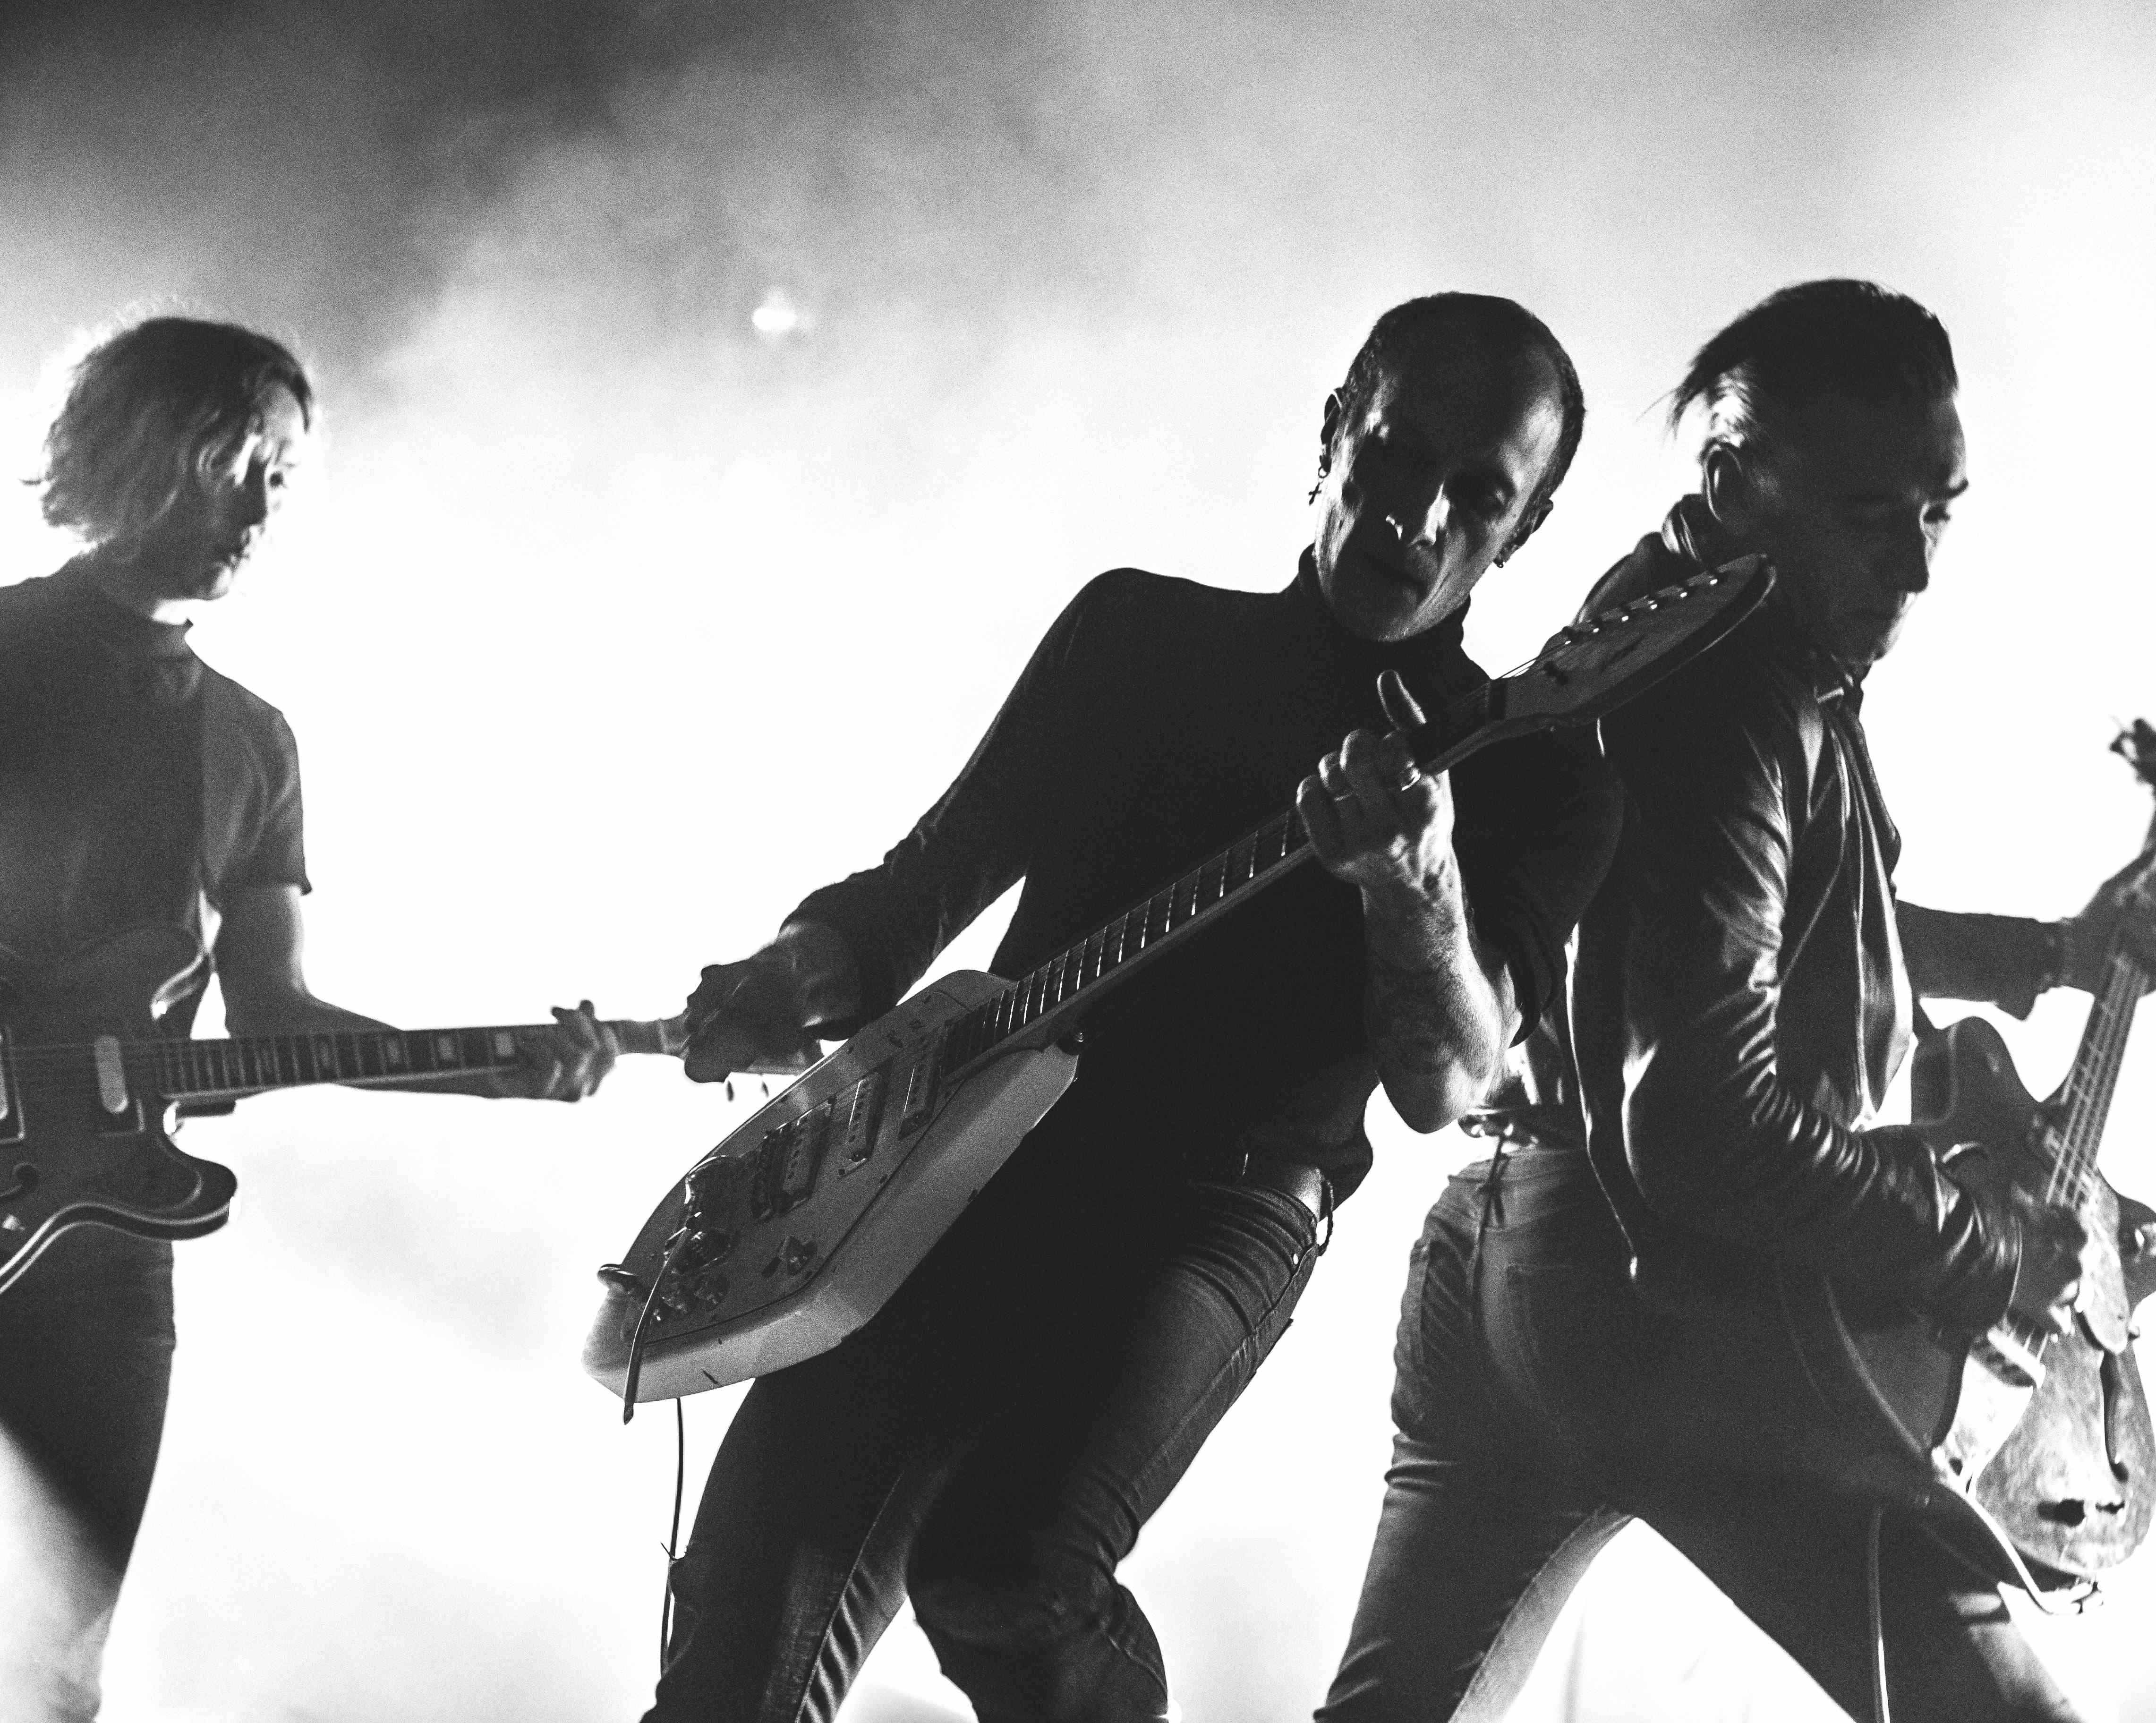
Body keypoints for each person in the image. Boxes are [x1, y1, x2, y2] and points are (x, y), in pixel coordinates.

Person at [657, 292, 1622, 1723]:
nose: (1419, 517)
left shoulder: (1536, 769)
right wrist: (801, 972)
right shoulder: (1139, 633)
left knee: (1002, 1572)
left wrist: (1413, 876)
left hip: (1215, 1211)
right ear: (1335, 433)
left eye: (1480, 497)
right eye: (1396, 455)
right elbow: (924, 885)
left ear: (1524, 530)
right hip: (951, 1165)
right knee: (728, 1659)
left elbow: (1448, 1082)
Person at [1317, 281, 2156, 1723]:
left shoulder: (1673, 621)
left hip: (1497, 1256)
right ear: (1732, 479)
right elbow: (1701, 1122)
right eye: (1867, 515)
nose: (1915, 567)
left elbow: (1749, 929)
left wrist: (2041, 955)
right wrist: (1977, 1249)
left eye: (1938, 512)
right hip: (1668, 1314)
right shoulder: (1733, 693)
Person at [0, 316, 621, 1723]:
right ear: (144, 448)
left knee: (54, 1667)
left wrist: (489, 1073)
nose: (264, 505)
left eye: (285, 473)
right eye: (241, 460)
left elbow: (278, 1009)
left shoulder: (249, 739)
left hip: (102, 1247)